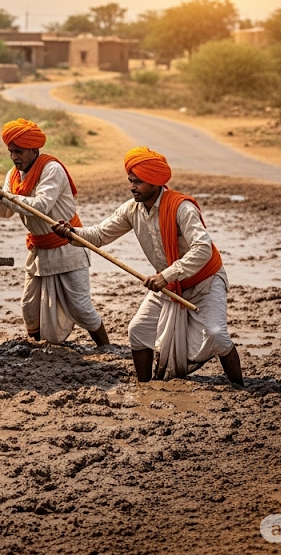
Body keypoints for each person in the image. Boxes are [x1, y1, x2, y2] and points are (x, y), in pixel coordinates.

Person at [51, 147, 244, 387]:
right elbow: (100, 234)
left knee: (216, 334)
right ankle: (146, 387)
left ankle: (240, 387)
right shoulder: (132, 209)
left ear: (155, 182)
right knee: (138, 331)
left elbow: (203, 249)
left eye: (138, 182)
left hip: (206, 281)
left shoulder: (182, 208)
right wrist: (72, 232)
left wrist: (166, 275)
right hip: (170, 285)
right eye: (131, 181)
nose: (132, 187)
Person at [0, 118, 109, 347]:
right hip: (39, 249)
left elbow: (40, 206)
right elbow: (7, 211)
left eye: (19, 152)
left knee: (81, 308)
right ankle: (38, 350)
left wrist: (4, 197)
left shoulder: (52, 169)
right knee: (29, 306)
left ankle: (106, 347)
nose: (14, 157)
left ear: (34, 150)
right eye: (11, 152)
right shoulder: (13, 175)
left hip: (69, 246)